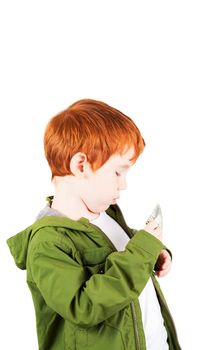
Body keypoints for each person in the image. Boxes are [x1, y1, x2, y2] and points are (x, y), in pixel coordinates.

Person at [7, 99, 181, 350]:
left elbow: (119, 251)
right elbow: (83, 307)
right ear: (81, 165)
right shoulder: (47, 244)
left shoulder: (106, 214)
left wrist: (153, 252)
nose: (123, 185)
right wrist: (141, 252)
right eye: (117, 172)